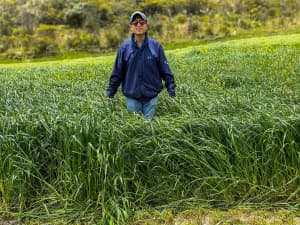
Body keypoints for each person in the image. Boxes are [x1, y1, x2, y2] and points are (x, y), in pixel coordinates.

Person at [106, 11, 176, 118]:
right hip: (132, 98)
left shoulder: (156, 46)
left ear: (147, 26)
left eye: (142, 22)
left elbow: (165, 70)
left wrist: (171, 91)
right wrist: (110, 94)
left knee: (151, 130)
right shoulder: (124, 48)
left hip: (152, 98)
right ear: (131, 27)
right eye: (135, 23)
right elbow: (117, 72)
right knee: (136, 131)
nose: (139, 25)